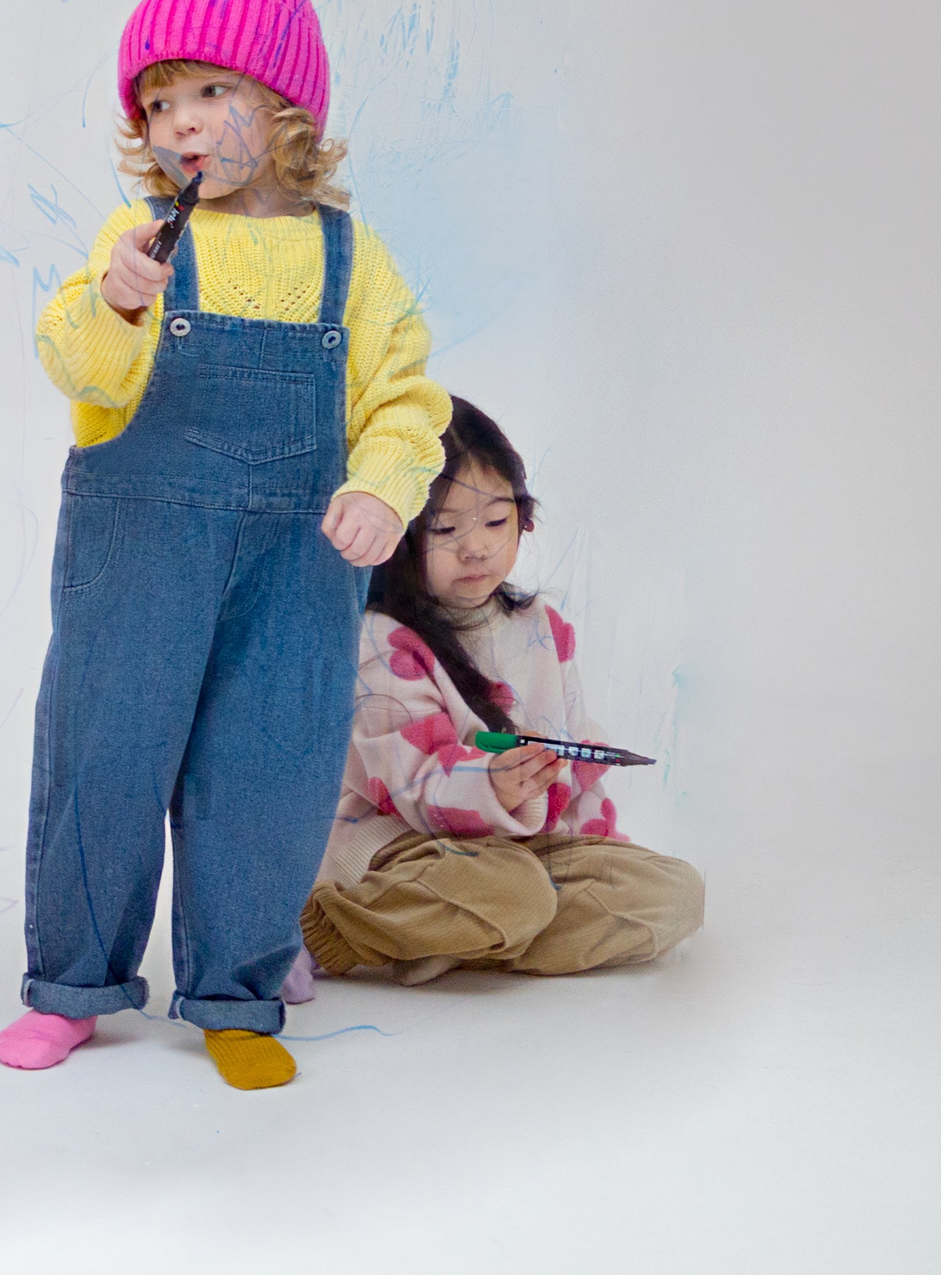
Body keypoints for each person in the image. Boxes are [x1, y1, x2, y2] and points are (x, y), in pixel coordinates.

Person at [0, 0, 452, 1090]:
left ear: (288, 107)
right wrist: (114, 302)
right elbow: (78, 367)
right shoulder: (138, 238)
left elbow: (403, 397)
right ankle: (73, 984)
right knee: (104, 754)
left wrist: (381, 489)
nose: (181, 122)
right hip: (137, 550)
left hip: (297, 564)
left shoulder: (353, 258)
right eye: (158, 101)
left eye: (213, 91)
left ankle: (238, 987)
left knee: (269, 764)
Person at [295, 397, 705, 986]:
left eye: (495, 521)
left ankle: (456, 938)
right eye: (445, 528)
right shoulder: (383, 641)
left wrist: (601, 853)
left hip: (526, 852)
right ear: (400, 536)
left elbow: (575, 755)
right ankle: (325, 930)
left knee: (673, 893)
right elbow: (408, 783)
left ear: (523, 518)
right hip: (412, 848)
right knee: (509, 891)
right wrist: (489, 785)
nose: (477, 547)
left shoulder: (543, 625)